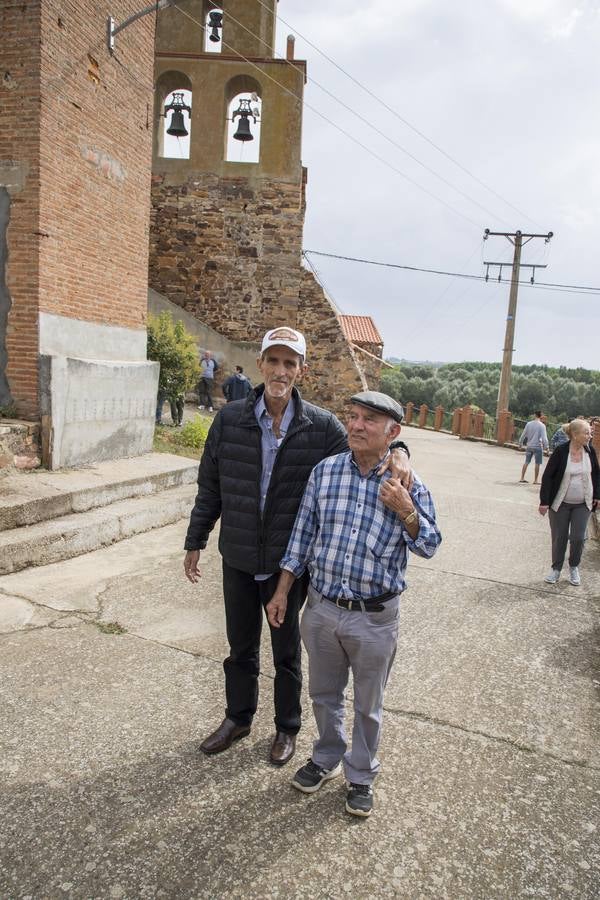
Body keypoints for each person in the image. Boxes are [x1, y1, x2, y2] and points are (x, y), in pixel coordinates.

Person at [183, 327, 413, 768]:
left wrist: (401, 449)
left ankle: (286, 727)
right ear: (260, 365)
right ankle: (238, 718)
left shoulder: (321, 426)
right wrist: (196, 539)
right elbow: (209, 486)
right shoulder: (228, 420)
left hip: (289, 563)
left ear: (301, 371)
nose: (281, 371)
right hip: (239, 555)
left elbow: (368, 442)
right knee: (240, 646)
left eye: (291, 363)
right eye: (274, 360)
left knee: (287, 650)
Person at [266, 391, 441, 818]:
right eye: (354, 416)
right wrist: (283, 588)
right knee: (324, 694)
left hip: (375, 619)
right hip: (323, 609)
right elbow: (302, 536)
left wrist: (406, 511)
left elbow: (430, 544)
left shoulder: (408, 485)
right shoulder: (325, 473)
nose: (357, 426)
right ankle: (326, 757)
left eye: (370, 420)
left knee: (368, 705)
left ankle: (360, 775)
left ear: (393, 432)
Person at [539, 418, 599, 586]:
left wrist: (598, 496)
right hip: (560, 503)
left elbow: (596, 475)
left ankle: (574, 567)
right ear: (575, 434)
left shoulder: (590, 451)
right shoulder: (561, 451)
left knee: (578, 537)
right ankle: (556, 569)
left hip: (583, 503)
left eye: (591, 432)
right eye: (586, 432)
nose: (589, 435)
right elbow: (548, 477)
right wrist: (544, 501)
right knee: (560, 537)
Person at [519, 411, 549, 484]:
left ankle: (522, 478)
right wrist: (547, 447)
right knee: (537, 463)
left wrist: (520, 443)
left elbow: (523, 434)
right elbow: (544, 438)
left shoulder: (528, 424)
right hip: (538, 446)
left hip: (529, 446)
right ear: (541, 416)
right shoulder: (542, 425)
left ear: (535, 415)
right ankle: (535, 480)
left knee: (526, 461)